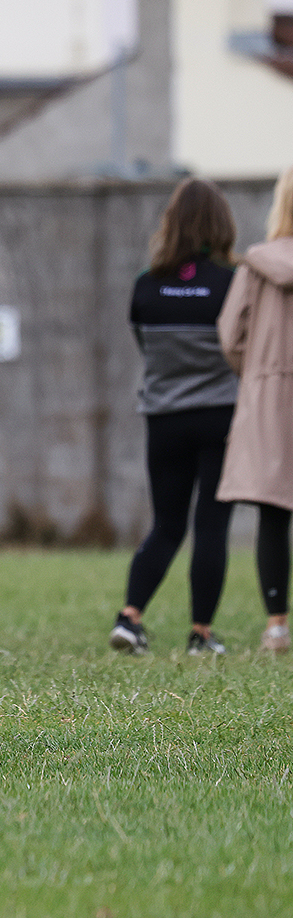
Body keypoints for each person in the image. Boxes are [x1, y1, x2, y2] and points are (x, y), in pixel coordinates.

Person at [109, 177, 238, 656]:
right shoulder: (233, 282)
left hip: (163, 418)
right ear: (221, 224)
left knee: (166, 524)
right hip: (222, 417)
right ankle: (201, 635)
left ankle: (130, 617)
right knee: (211, 525)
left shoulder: (147, 284)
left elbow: (146, 348)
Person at [216, 165, 293, 653]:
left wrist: (258, 372)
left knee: (273, 511)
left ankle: (276, 625)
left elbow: (230, 334)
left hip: (270, 393)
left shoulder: (256, 264)